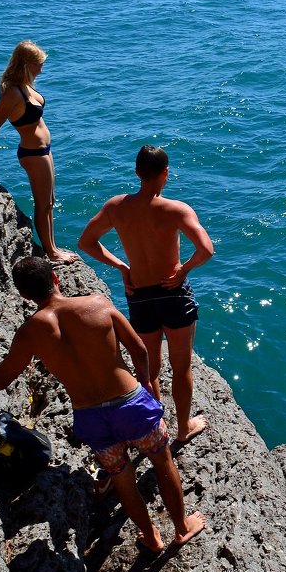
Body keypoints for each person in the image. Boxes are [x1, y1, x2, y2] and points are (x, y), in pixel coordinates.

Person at [0, 257, 204, 553]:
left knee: (123, 479)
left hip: (91, 418)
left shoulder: (30, 332)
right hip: (131, 405)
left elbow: (2, 378)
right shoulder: (97, 304)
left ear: (23, 294)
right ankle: (182, 528)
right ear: (56, 278)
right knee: (162, 461)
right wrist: (146, 382)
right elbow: (138, 348)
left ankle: (151, 537)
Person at [78, 145, 214, 443]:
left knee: (149, 368)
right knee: (181, 368)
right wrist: (183, 271)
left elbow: (86, 242)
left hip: (139, 295)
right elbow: (206, 250)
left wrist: (122, 268)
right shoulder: (176, 210)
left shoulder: (116, 207)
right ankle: (183, 428)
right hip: (173, 294)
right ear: (165, 174)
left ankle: (155, 428)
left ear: (137, 173)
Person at [0, 40, 79, 264]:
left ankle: (52, 246)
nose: (41, 69)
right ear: (27, 64)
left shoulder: (26, 85)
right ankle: (52, 253)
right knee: (42, 203)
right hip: (33, 153)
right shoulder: (12, 94)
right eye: (38, 64)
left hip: (44, 150)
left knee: (49, 202)